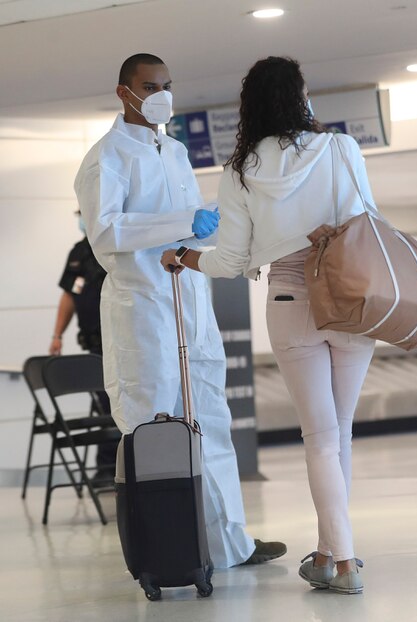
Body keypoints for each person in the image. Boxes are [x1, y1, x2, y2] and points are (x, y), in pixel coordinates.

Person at [161, 56, 375, 595]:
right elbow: (367, 217)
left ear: (250, 105)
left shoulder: (240, 172)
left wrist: (185, 258)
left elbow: (230, 262)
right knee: (339, 433)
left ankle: (340, 559)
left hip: (289, 297)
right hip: (352, 296)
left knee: (321, 438)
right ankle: (331, 555)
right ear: (301, 97)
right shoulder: (342, 148)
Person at [75, 53, 285, 568]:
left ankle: (229, 544)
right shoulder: (106, 158)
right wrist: (179, 219)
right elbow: (106, 233)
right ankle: (168, 549)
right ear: (124, 91)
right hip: (142, 307)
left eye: (168, 84)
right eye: (151, 85)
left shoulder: (173, 151)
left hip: (189, 301)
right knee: (153, 428)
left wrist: (205, 232)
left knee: (211, 418)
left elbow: (184, 227)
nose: (161, 95)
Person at [49, 213, 117, 484]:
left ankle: (116, 467)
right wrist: (57, 335)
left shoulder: (115, 243)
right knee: (103, 403)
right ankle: (107, 468)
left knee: (116, 404)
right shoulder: (78, 252)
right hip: (93, 343)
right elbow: (69, 295)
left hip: (120, 340)